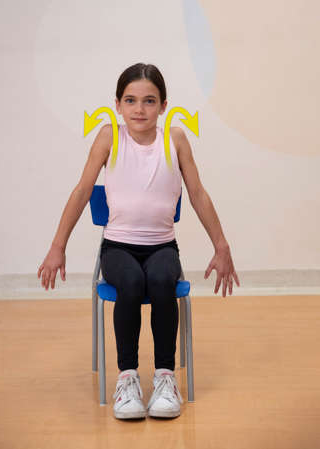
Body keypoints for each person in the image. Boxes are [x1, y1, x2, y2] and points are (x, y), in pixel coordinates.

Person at [38, 62, 240, 420]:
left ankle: (165, 377)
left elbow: (197, 193)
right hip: (117, 247)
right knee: (130, 282)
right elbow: (83, 190)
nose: (139, 109)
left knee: (162, 279)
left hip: (162, 246)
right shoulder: (108, 136)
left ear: (163, 105)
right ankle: (127, 378)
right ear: (118, 104)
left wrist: (221, 245)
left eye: (149, 101)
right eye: (130, 100)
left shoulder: (175, 138)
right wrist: (58, 246)